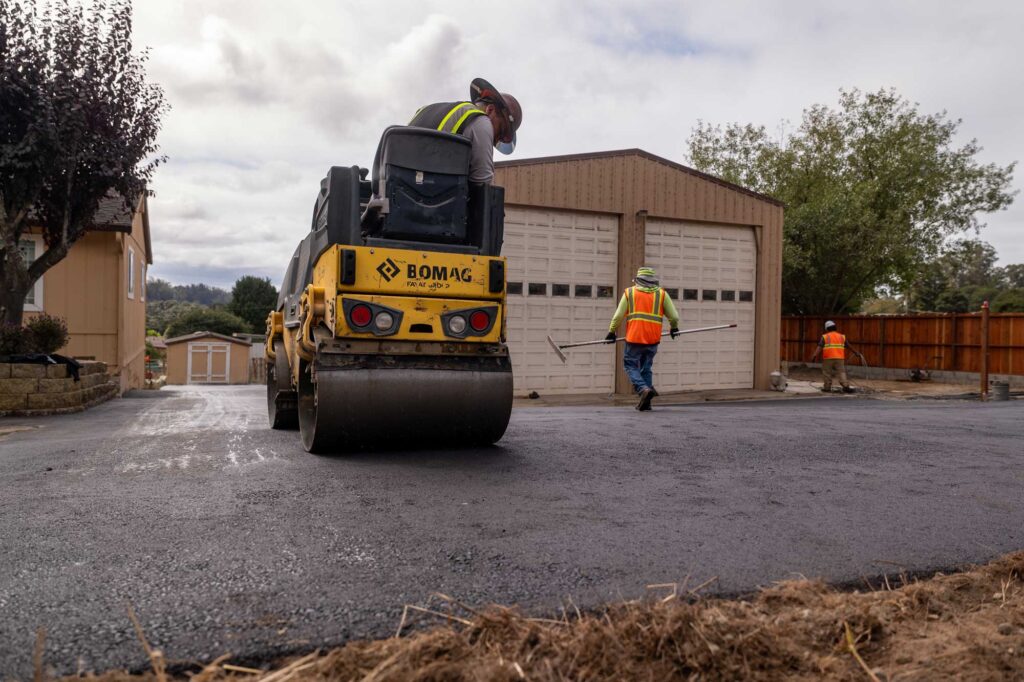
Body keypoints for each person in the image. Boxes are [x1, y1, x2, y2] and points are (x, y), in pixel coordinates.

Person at [408, 77, 522, 184]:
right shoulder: (482, 121)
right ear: (490, 110)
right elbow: (482, 183)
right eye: (500, 131)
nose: (495, 140)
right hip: (431, 198)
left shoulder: (425, 110)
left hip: (399, 194)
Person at [605, 266, 681, 411]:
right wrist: (674, 327)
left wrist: (611, 331)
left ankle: (643, 389)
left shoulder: (630, 293)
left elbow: (618, 316)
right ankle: (647, 402)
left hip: (635, 337)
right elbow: (674, 316)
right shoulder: (662, 294)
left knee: (630, 365)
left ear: (638, 280)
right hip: (653, 339)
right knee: (646, 368)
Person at [808, 320, 864, 393]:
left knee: (827, 372)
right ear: (835, 327)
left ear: (827, 328)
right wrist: (856, 352)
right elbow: (848, 346)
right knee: (841, 372)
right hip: (839, 358)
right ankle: (845, 386)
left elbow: (819, 347)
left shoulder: (825, 337)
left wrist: (814, 355)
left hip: (828, 358)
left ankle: (827, 387)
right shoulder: (841, 336)